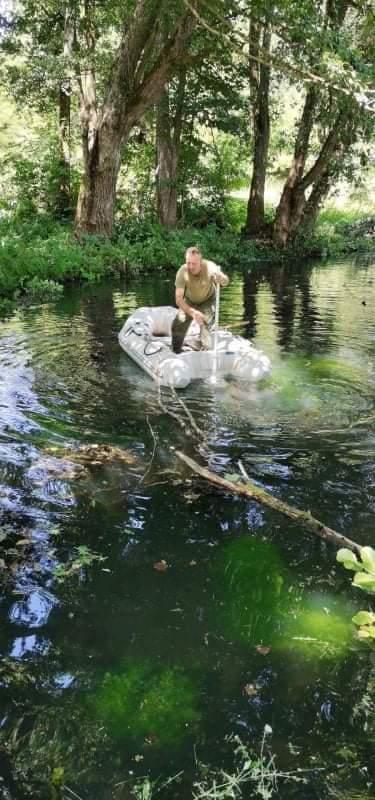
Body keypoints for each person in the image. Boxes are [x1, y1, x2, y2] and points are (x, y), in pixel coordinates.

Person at [171, 246, 229, 354]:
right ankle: (176, 351)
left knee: (205, 321)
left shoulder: (210, 267)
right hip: (189, 300)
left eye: (194, 263)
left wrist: (222, 279)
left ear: (200, 262)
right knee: (178, 323)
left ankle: (207, 351)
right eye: (188, 263)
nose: (191, 266)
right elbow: (178, 300)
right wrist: (193, 313)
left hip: (208, 300)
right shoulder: (182, 272)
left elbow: (226, 281)